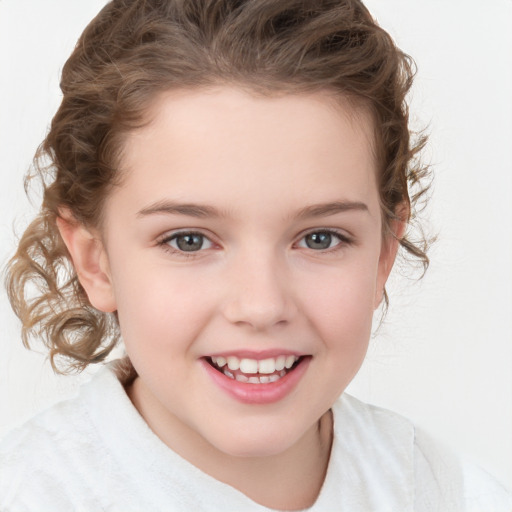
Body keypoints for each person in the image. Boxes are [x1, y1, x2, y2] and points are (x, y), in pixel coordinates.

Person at [0, 0, 510, 510]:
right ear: (96, 261)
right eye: (189, 240)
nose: (262, 306)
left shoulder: (450, 495)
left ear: (383, 253)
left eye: (320, 238)